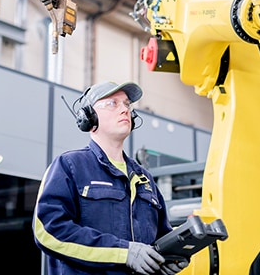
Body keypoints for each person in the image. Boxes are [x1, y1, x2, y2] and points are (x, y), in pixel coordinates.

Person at [33, 81, 189, 275]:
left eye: (126, 104)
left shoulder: (144, 178)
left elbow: (159, 238)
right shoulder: (70, 166)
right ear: (88, 117)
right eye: (112, 103)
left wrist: (167, 257)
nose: (124, 109)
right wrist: (123, 253)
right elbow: (48, 231)